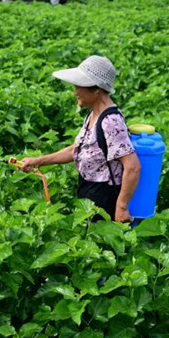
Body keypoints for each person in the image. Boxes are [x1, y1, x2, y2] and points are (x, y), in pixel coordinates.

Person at [17, 55, 140, 222]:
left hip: (105, 197)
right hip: (89, 190)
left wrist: (121, 207)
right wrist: (38, 161)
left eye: (79, 86)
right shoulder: (93, 114)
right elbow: (77, 149)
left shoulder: (110, 121)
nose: (75, 92)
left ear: (96, 89)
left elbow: (132, 166)